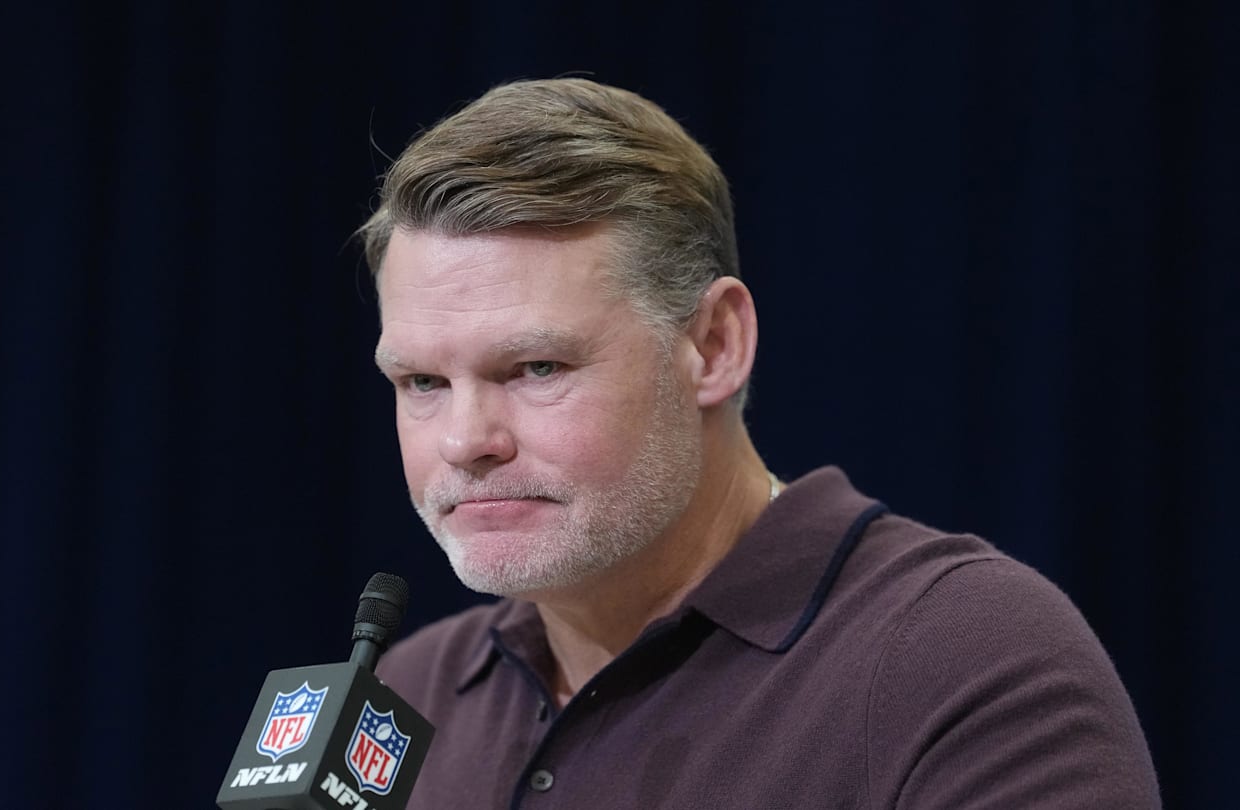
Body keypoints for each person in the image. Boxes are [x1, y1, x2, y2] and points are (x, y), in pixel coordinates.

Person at [359, 78, 1159, 808]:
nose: (467, 441)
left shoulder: (965, 661)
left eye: (537, 367)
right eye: (422, 383)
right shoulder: (404, 697)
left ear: (713, 345)